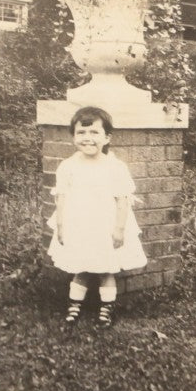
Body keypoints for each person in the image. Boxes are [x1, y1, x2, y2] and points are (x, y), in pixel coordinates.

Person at [48, 106, 147, 327]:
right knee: (80, 267)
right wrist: (61, 226)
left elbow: (123, 199)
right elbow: (61, 197)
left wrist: (119, 228)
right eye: (81, 133)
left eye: (94, 133)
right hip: (78, 225)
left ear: (107, 137)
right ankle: (74, 305)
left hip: (105, 224)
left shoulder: (115, 167)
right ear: (73, 137)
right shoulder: (68, 166)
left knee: (106, 268)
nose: (88, 138)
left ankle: (106, 308)